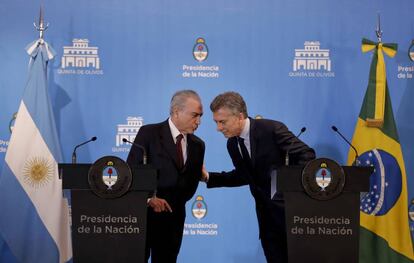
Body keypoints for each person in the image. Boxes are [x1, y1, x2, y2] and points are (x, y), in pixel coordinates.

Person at [202, 91, 315, 263]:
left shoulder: (271, 129)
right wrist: (208, 177)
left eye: (222, 122)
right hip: (267, 223)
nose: (218, 128)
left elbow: (307, 155)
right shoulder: (232, 143)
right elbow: (243, 175)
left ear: (239, 116)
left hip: (293, 217)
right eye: (216, 122)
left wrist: (288, 189)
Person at [127, 90, 205, 263]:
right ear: (177, 111)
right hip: (144, 216)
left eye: (200, 116)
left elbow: (190, 182)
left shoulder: (198, 145)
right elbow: (131, 172)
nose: (198, 121)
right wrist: (149, 199)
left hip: (174, 219)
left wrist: (176, 202)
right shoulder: (149, 133)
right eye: (194, 115)